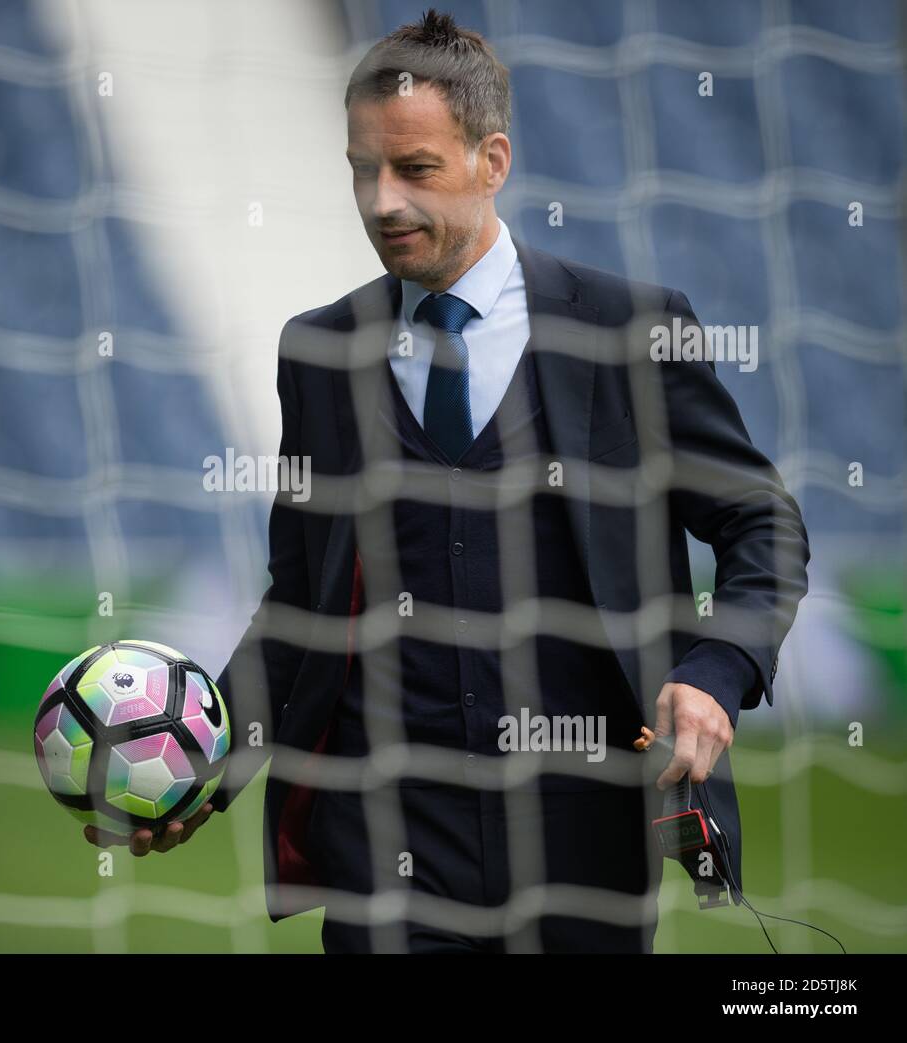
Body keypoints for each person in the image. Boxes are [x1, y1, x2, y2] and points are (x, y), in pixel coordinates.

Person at [83, 8, 810, 954]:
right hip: (382, 853)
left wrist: (715, 673)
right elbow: (299, 605)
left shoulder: (633, 332)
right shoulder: (321, 353)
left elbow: (763, 525)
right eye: (361, 169)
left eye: (415, 169)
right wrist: (199, 767)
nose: (382, 200)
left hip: (583, 848)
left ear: (492, 160)